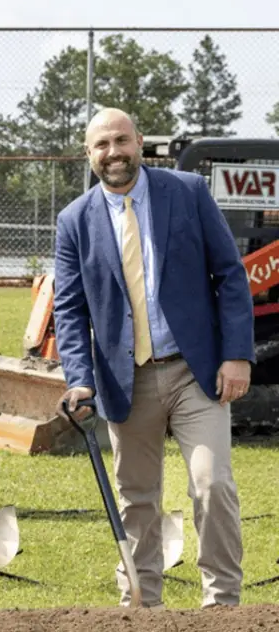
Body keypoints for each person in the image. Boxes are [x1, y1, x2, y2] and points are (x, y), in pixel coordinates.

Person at [55, 108, 254, 609]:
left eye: (121, 140)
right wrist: (79, 379)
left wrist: (236, 355)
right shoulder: (74, 221)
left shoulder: (185, 192)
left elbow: (230, 274)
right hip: (127, 380)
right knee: (137, 497)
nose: (113, 152)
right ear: (89, 153)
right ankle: (142, 604)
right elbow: (70, 309)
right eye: (102, 144)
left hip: (195, 371)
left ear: (140, 142)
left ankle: (222, 604)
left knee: (212, 484)